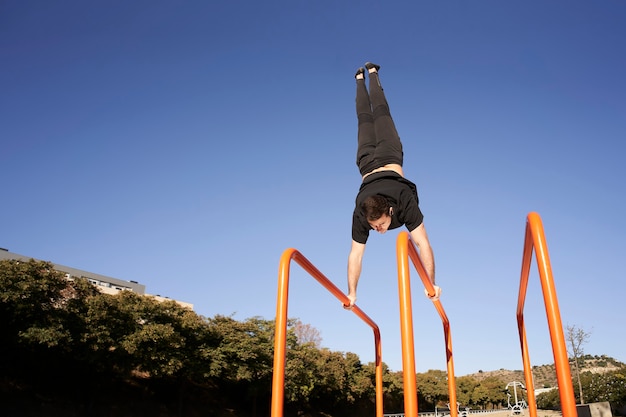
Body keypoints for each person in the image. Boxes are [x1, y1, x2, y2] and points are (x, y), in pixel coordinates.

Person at [345, 62, 440, 309]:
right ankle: (361, 77)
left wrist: (430, 282)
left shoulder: (403, 200)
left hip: (375, 159)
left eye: (380, 226)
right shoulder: (361, 214)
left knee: (371, 116)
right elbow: (356, 255)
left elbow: (423, 243)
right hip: (378, 159)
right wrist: (351, 294)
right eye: (375, 227)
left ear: (389, 211)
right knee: (371, 115)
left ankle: (368, 74)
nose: (379, 230)